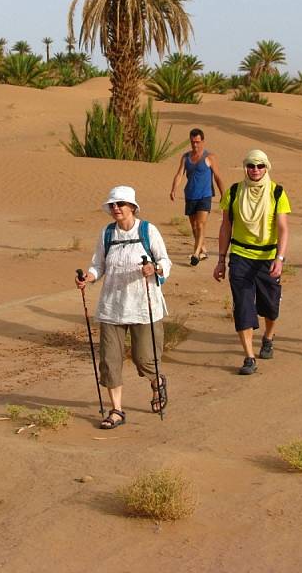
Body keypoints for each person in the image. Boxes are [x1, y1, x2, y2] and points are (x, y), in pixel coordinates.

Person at [76, 185, 171, 429]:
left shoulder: (148, 231)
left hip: (143, 305)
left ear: (132, 207)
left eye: (120, 204)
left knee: (145, 359)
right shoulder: (107, 233)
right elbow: (98, 264)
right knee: (110, 361)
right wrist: (88, 277)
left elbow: (164, 262)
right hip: (112, 307)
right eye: (113, 205)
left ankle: (157, 381)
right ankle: (116, 410)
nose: (116, 208)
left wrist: (154, 269)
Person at [213, 150, 290, 375]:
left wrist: (280, 258)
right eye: (250, 165)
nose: (255, 170)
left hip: (268, 258)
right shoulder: (234, 192)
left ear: (266, 167)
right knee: (243, 306)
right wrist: (220, 260)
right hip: (240, 256)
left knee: (271, 307)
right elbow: (226, 226)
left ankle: (267, 337)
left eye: (259, 166)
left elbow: (283, 229)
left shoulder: (277, 192)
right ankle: (249, 357)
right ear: (245, 167)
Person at [170, 128, 224, 265]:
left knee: (200, 224)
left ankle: (196, 253)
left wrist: (224, 194)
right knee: (194, 226)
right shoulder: (186, 157)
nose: (195, 145)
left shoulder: (209, 157)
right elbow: (179, 174)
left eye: (198, 142)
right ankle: (203, 250)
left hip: (205, 195)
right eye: (193, 142)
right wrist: (173, 189)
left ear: (203, 141)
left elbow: (218, 176)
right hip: (190, 195)